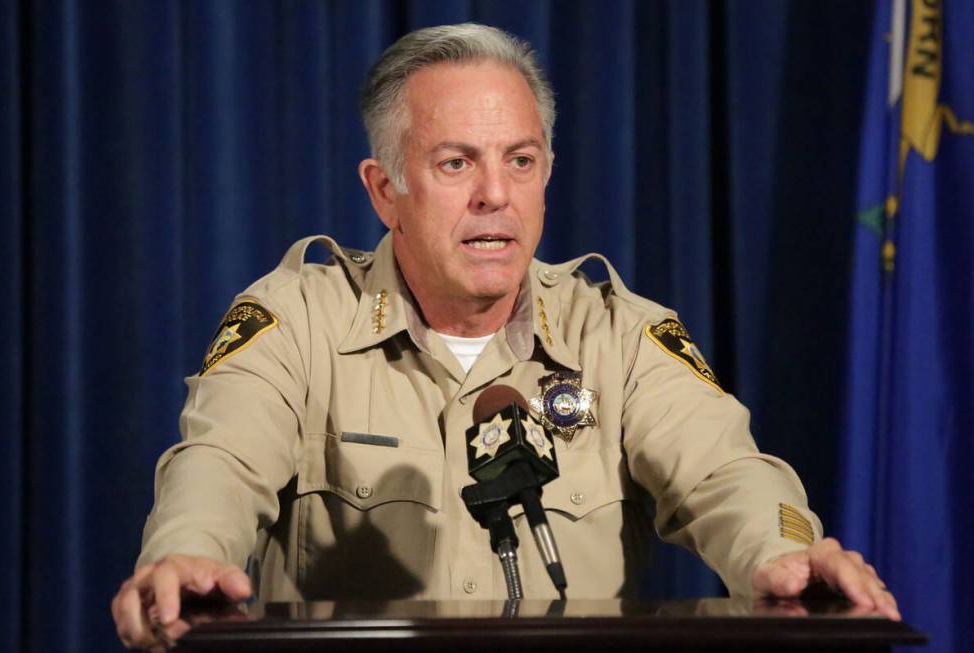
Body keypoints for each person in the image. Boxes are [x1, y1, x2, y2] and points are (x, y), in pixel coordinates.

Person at [112, 23, 899, 650]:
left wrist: (780, 552)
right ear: (386, 189)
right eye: (457, 163)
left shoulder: (618, 333)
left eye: (520, 161)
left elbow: (726, 472)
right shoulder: (298, 318)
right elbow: (220, 462)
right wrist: (188, 552)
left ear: (547, 171)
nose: (496, 195)